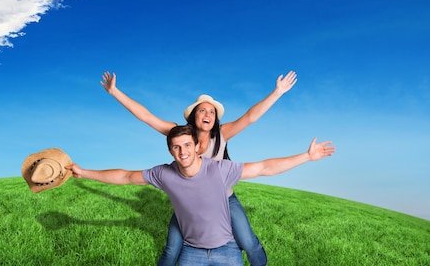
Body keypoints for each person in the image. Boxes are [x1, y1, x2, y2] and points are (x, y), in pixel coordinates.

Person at [101, 71, 297, 266]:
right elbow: (146, 117)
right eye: (203, 110)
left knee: (248, 242)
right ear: (194, 115)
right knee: (171, 249)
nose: (208, 114)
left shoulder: (222, 133)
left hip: (224, 199)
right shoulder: (180, 134)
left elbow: (251, 117)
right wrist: (114, 92)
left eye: (212, 112)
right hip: (190, 204)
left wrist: (278, 91)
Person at [67, 124, 335, 266]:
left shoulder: (219, 170)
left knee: (249, 242)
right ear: (170, 152)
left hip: (227, 251)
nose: (182, 152)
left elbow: (264, 167)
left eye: (187, 145)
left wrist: (306, 157)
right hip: (192, 253)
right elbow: (125, 176)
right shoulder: (164, 174)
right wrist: (83, 172)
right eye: (176, 147)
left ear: (196, 147)